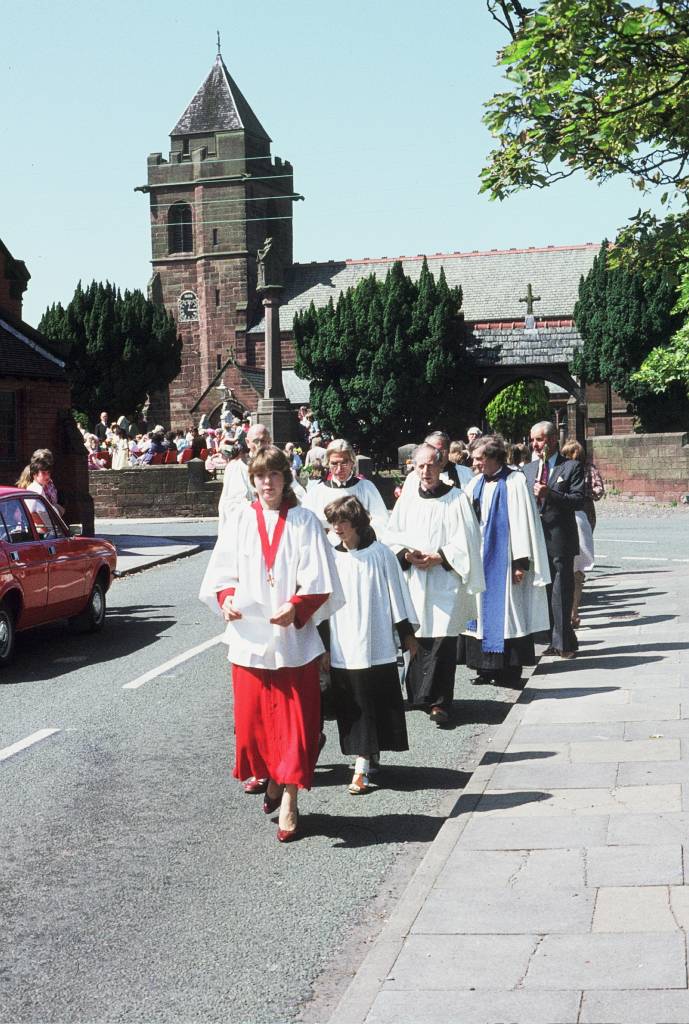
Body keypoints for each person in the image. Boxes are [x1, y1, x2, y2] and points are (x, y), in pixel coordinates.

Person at [199, 447, 344, 843]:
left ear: (285, 478)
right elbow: (223, 570)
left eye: (274, 475)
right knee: (254, 726)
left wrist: (296, 607)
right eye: (260, 476)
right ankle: (274, 779)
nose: (267, 483)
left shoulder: (305, 522)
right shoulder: (241, 519)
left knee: (297, 725)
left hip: (293, 638)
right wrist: (227, 597)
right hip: (249, 638)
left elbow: (320, 579)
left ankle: (290, 802)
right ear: (252, 480)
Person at [321, 496, 418, 794]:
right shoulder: (330, 557)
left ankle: (362, 765)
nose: (337, 528)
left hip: (375, 643)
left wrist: (406, 636)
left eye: (343, 522)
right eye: (333, 522)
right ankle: (365, 754)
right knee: (354, 703)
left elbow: (397, 598)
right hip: (342, 645)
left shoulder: (380, 555)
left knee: (373, 699)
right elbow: (321, 605)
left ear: (357, 522)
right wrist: (322, 647)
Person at [385, 443, 484, 725]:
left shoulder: (456, 499)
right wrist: (405, 553)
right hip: (415, 579)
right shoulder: (408, 499)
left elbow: (468, 540)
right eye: (420, 466)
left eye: (431, 465)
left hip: (444, 579)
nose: (426, 471)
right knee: (416, 634)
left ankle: (440, 703)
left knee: (442, 638)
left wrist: (440, 556)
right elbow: (393, 535)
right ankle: (418, 696)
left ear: (441, 467)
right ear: (413, 468)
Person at [460, 435, 550, 686]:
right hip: (479, 559)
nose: (475, 463)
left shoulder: (514, 481)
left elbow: (523, 524)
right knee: (478, 612)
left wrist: (520, 563)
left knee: (508, 615)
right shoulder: (475, 483)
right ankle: (484, 668)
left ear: (492, 457)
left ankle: (509, 672)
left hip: (505, 561)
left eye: (478, 458)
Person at [523, 421, 585, 659]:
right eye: (532, 440)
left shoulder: (571, 467)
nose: (534, 445)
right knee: (544, 591)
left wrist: (550, 493)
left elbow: (578, 500)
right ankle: (552, 639)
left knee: (561, 591)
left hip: (560, 538)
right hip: (535, 539)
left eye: (538, 440)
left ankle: (565, 643)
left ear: (550, 440)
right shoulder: (527, 470)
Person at [303, 438, 389, 538]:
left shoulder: (366, 487)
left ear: (352, 462)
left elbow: (382, 521)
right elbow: (305, 523)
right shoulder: (317, 492)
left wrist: (361, 535)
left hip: (360, 548)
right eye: (334, 463)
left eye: (344, 463)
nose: (339, 469)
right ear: (328, 464)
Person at [561, 440, 596, 628]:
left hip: (571, 516)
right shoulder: (588, 469)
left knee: (568, 568)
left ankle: (570, 613)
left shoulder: (560, 468)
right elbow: (598, 491)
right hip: (584, 514)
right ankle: (573, 611)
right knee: (578, 569)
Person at [399, 431, 473, 505]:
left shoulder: (467, 474)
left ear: (448, 451)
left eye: (441, 451)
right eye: (433, 450)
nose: (437, 455)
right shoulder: (413, 477)